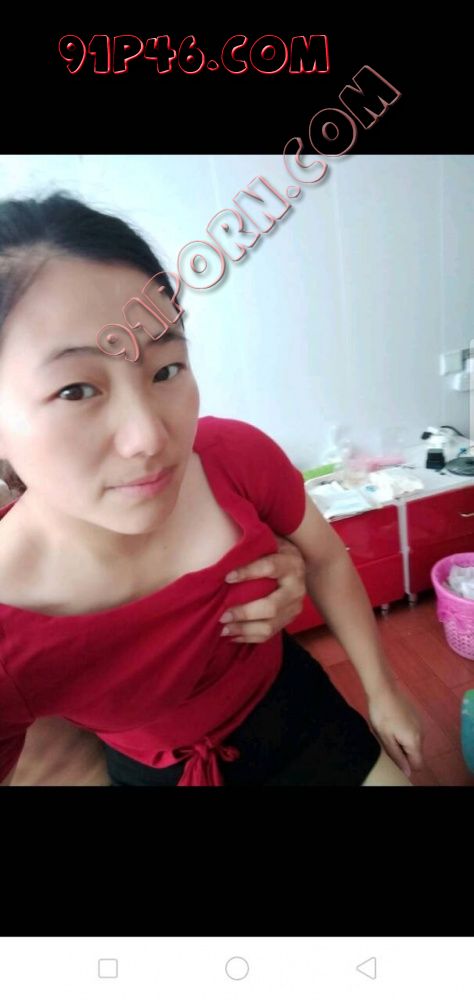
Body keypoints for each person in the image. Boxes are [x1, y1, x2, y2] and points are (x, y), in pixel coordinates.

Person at [0, 191, 424, 787]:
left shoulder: (233, 457)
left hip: (299, 716)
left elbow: (326, 558)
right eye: (76, 390)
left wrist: (384, 691)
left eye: (166, 369)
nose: (150, 438)